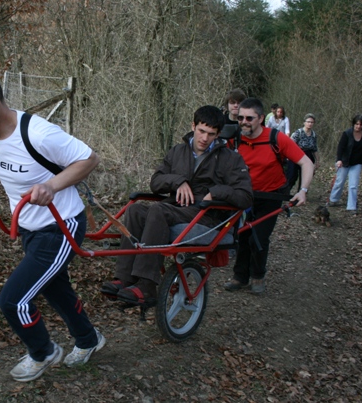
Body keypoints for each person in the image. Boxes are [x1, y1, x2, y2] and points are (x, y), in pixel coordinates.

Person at [0, 66, 105, 382]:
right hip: (31, 229)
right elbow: (3, 155)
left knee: (13, 299)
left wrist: (53, 185)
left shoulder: (39, 133)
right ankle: (89, 340)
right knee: (54, 288)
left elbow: (89, 159)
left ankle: (43, 351)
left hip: (61, 228)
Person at [101, 105, 253, 306]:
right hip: (176, 208)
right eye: (201, 131)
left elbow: (245, 196)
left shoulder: (230, 159)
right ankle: (125, 278)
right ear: (193, 126)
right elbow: (156, 182)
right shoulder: (178, 151)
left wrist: (215, 192)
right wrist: (178, 181)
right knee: (135, 210)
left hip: (206, 214)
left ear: (218, 135)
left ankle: (147, 286)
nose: (204, 138)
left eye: (211, 134)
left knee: (158, 210)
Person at [225, 98, 314, 294]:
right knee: (242, 235)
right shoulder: (234, 139)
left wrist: (303, 190)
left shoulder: (276, 138)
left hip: (271, 196)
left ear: (261, 118)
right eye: (240, 118)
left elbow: (306, 163)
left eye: (249, 118)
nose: (244, 122)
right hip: (244, 196)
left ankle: (257, 276)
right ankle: (240, 277)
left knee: (259, 236)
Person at [328, 115, 362, 215]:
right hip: (344, 162)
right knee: (340, 182)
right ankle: (333, 200)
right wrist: (339, 160)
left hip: (357, 163)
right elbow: (340, 147)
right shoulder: (347, 133)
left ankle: (351, 206)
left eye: (361, 124)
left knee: (353, 185)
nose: (359, 126)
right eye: (357, 124)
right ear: (354, 124)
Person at [287, 113, 320, 192]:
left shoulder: (313, 135)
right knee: (292, 176)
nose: (310, 124)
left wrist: (318, 161)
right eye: (308, 122)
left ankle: (301, 194)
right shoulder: (298, 133)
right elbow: (290, 145)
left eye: (312, 122)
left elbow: (314, 148)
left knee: (305, 177)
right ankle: (286, 192)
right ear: (304, 122)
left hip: (308, 156)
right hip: (296, 155)